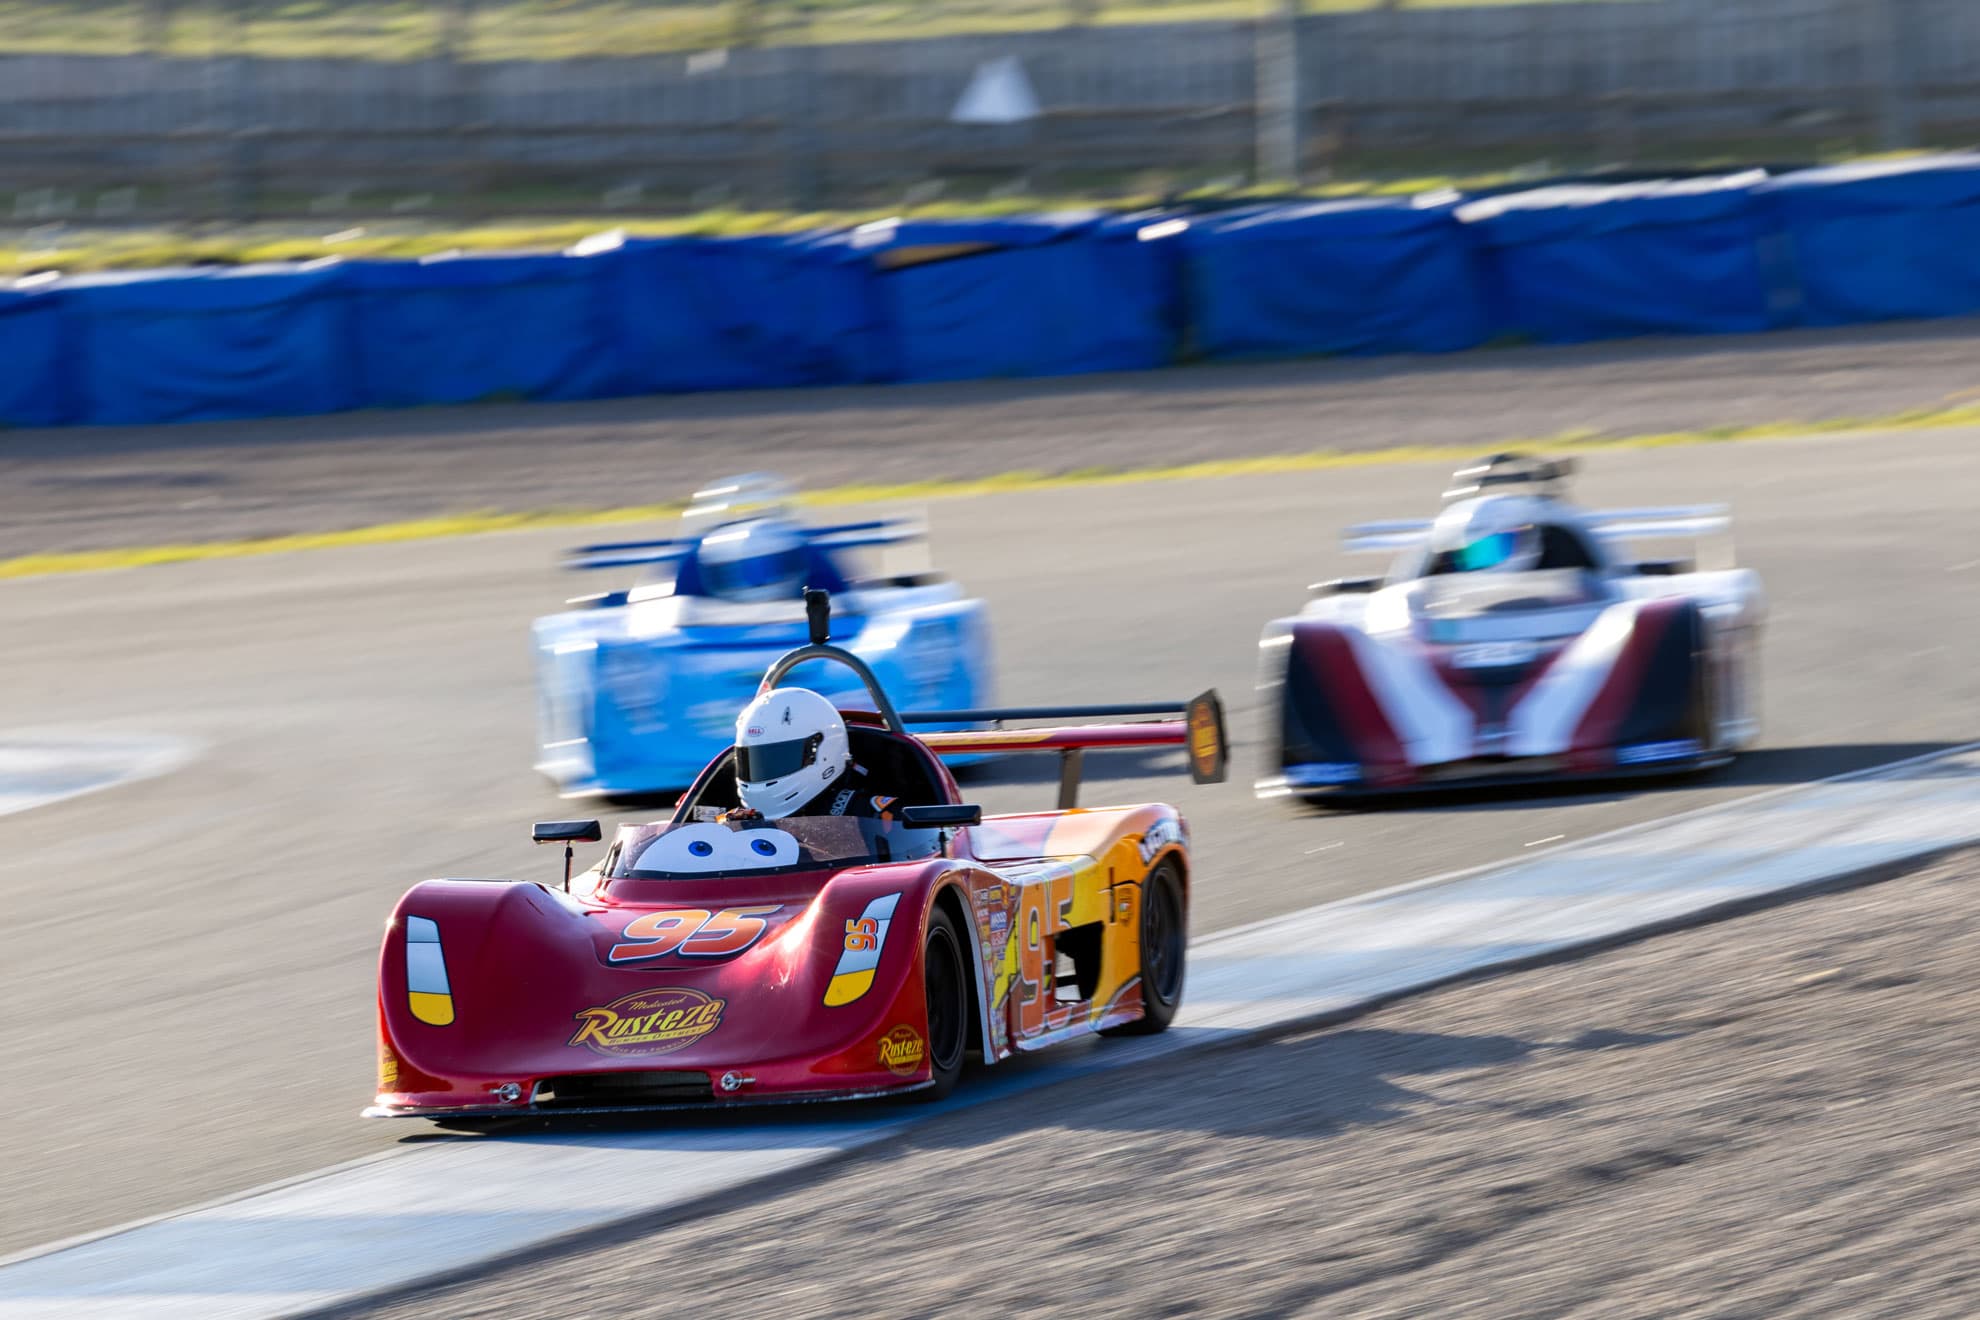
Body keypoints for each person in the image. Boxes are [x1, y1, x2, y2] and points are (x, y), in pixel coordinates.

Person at [730, 687, 889, 820]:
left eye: (780, 758)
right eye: (754, 761)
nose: (763, 770)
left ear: (824, 751)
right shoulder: (734, 819)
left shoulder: (874, 815)